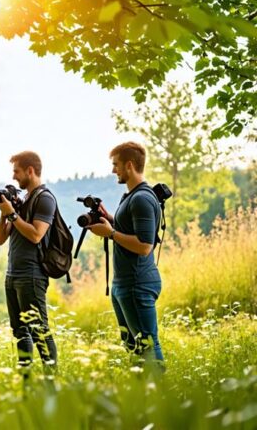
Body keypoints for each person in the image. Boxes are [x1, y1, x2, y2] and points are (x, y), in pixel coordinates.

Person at [87, 142, 165, 369]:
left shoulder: (142, 198)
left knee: (147, 345)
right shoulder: (130, 197)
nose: (113, 171)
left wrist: (110, 233)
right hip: (124, 284)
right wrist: (109, 219)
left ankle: (160, 398)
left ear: (129, 165)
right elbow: (129, 230)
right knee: (133, 346)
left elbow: (144, 246)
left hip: (137, 283)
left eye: (116, 165)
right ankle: (142, 397)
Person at [0, 151, 58, 373]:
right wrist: (4, 214)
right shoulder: (22, 202)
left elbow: (36, 235)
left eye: (17, 172)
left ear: (30, 170)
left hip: (32, 275)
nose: (14, 177)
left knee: (39, 330)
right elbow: (0, 239)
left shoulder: (45, 198)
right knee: (20, 332)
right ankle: (27, 381)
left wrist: (12, 214)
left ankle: (51, 382)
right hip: (12, 274)